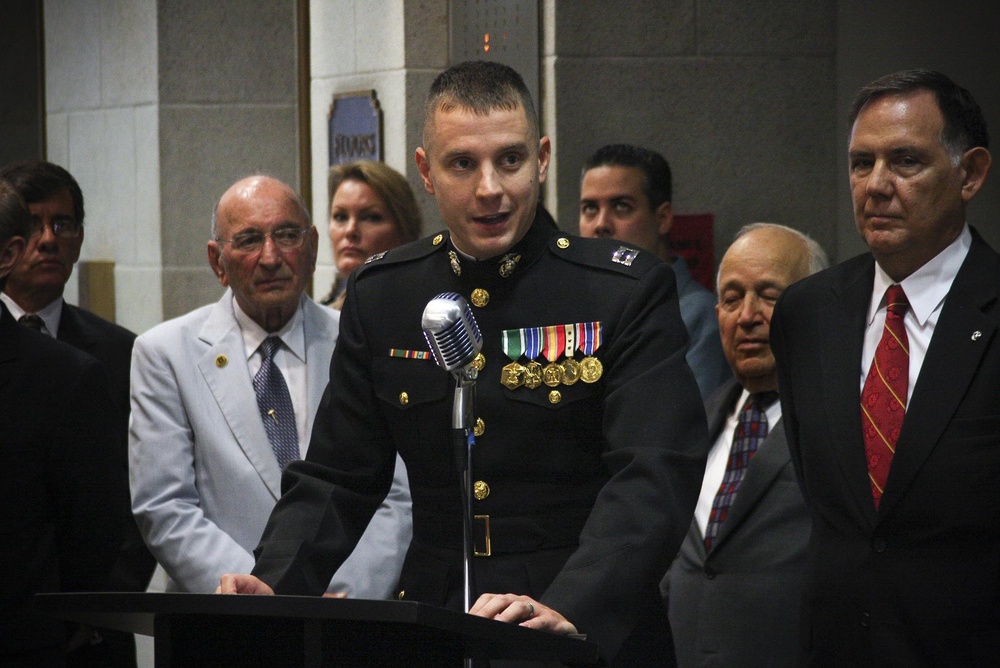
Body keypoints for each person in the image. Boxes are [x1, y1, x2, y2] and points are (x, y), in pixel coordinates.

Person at [220, 61, 709, 666]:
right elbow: (340, 473)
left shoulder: (619, 291)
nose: (490, 189)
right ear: (425, 170)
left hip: (579, 619)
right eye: (462, 164)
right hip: (438, 617)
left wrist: (573, 605)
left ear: (543, 158)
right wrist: (274, 581)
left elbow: (653, 473)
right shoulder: (386, 294)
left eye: (510, 160)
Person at [770, 69, 996, 665]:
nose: (875, 186)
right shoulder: (806, 313)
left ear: (970, 173)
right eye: (860, 163)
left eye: (905, 162)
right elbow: (829, 506)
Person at [129, 175, 412, 597]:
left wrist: (347, 591)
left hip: (347, 614)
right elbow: (166, 508)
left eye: (286, 235)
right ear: (216, 261)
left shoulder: (359, 341)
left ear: (313, 247)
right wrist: (266, 593)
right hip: (225, 617)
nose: (270, 257)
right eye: (247, 240)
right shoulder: (165, 354)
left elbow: (396, 495)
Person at [0, 161, 152, 667]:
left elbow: (138, 493)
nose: (49, 240)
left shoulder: (123, 353)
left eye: (62, 225)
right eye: (34, 224)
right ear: (10, 246)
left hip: (91, 636)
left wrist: (98, 606)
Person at [664, 223, 827, 667]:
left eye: (769, 296)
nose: (747, 315)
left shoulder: (839, 422)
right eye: (732, 299)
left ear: (816, 307)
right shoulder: (695, 424)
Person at [579, 144, 730, 399]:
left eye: (621, 206)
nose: (601, 224)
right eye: (590, 208)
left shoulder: (697, 317)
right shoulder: (578, 311)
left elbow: (686, 427)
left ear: (663, 218)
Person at [321, 160, 423, 309]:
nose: (350, 230)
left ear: (405, 230)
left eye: (371, 217)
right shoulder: (324, 319)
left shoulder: (428, 312)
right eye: (340, 217)